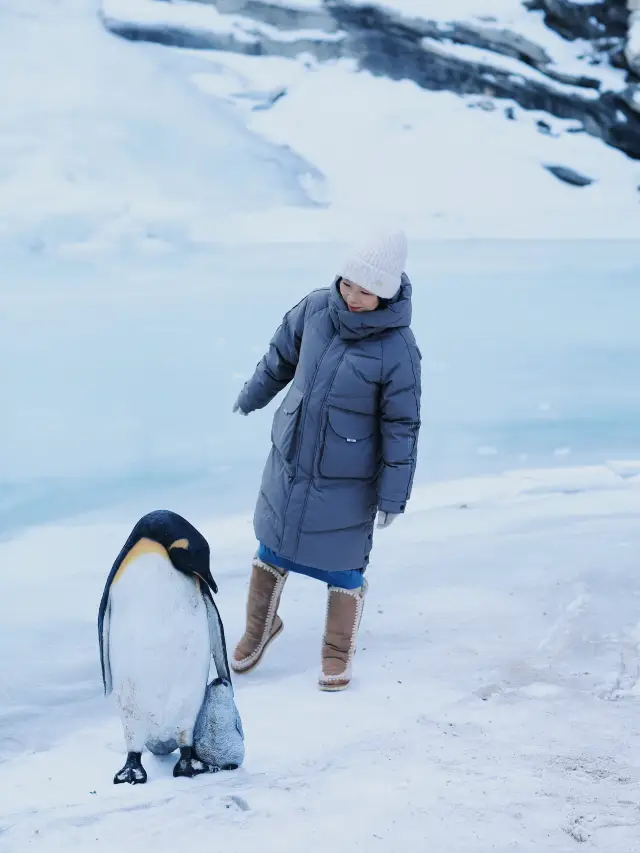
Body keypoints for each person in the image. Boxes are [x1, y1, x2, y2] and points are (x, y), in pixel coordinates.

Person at [230, 228, 422, 691]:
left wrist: (394, 497)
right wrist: (251, 397)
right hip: (292, 459)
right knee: (271, 545)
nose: (354, 297)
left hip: (348, 477)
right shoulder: (316, 310)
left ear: (388, 292)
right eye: (349, 284)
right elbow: (278, 359)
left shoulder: (397, 350)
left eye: (368, 291)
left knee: (343, 566)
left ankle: (336, 650)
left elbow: (402, 427)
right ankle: (260, 627)